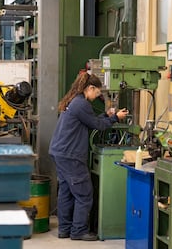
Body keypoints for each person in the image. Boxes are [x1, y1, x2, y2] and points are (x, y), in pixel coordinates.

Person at [49, 72, 129, 241]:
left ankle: (64, 229)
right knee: (84, 194)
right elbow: (98, 126)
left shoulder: (74, 101)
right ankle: (78, 231)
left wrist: (107, 116)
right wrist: (115, 118)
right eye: (97, 93)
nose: (97, 97)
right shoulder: (82, 104)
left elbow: (89, 121)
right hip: (71, 155)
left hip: (60, 152)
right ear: (90, 88)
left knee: (66, 191)